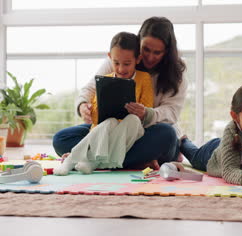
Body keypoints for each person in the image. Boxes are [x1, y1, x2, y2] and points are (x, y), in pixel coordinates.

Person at [53, 17, 187, 169]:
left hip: (148, 130)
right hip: (112, 128)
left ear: (167, 51)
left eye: (157, 52)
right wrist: (83, 105)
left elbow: (172, 112)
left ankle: (91, 159)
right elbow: (90, 88)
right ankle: (135, 161)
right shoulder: (121, 59)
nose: (150, 57)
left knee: (167, 134)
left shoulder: (176, 74)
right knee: (61, 138)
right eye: (146, 50)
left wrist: (146, 113)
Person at [54, 32, 154, 175]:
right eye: (116, 63)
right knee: (109, 122)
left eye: (127, 64)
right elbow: (95, 120)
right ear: (109, 58)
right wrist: (90, 110)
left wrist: (140, 110)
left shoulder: (144, 79)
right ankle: (84, 162)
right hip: (105, 129)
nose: (121, 69)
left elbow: (147, 111)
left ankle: (83, 159)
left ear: (137, 59)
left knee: (133, 120)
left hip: (132, 129)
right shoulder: (104, 80)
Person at [179, 84, 242, 187]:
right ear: (235, 117)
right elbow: (228, 171)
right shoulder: (231, 129)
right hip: (212, 153)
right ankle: (183, 142)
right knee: (194, 156)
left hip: (227, 143)